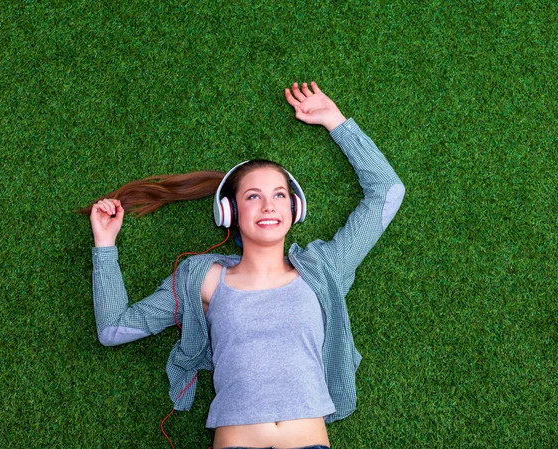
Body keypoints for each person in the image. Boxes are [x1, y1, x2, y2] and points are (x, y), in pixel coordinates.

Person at [87, 82, 405, 449]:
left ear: (294, 208)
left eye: (279, 195)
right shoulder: (202, 280)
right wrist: (105, 245)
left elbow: (387, 191)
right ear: (231, 213)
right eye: (253, 196)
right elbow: (113, 329)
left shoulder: (324, 268)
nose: (269, 206)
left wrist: (334, 121)